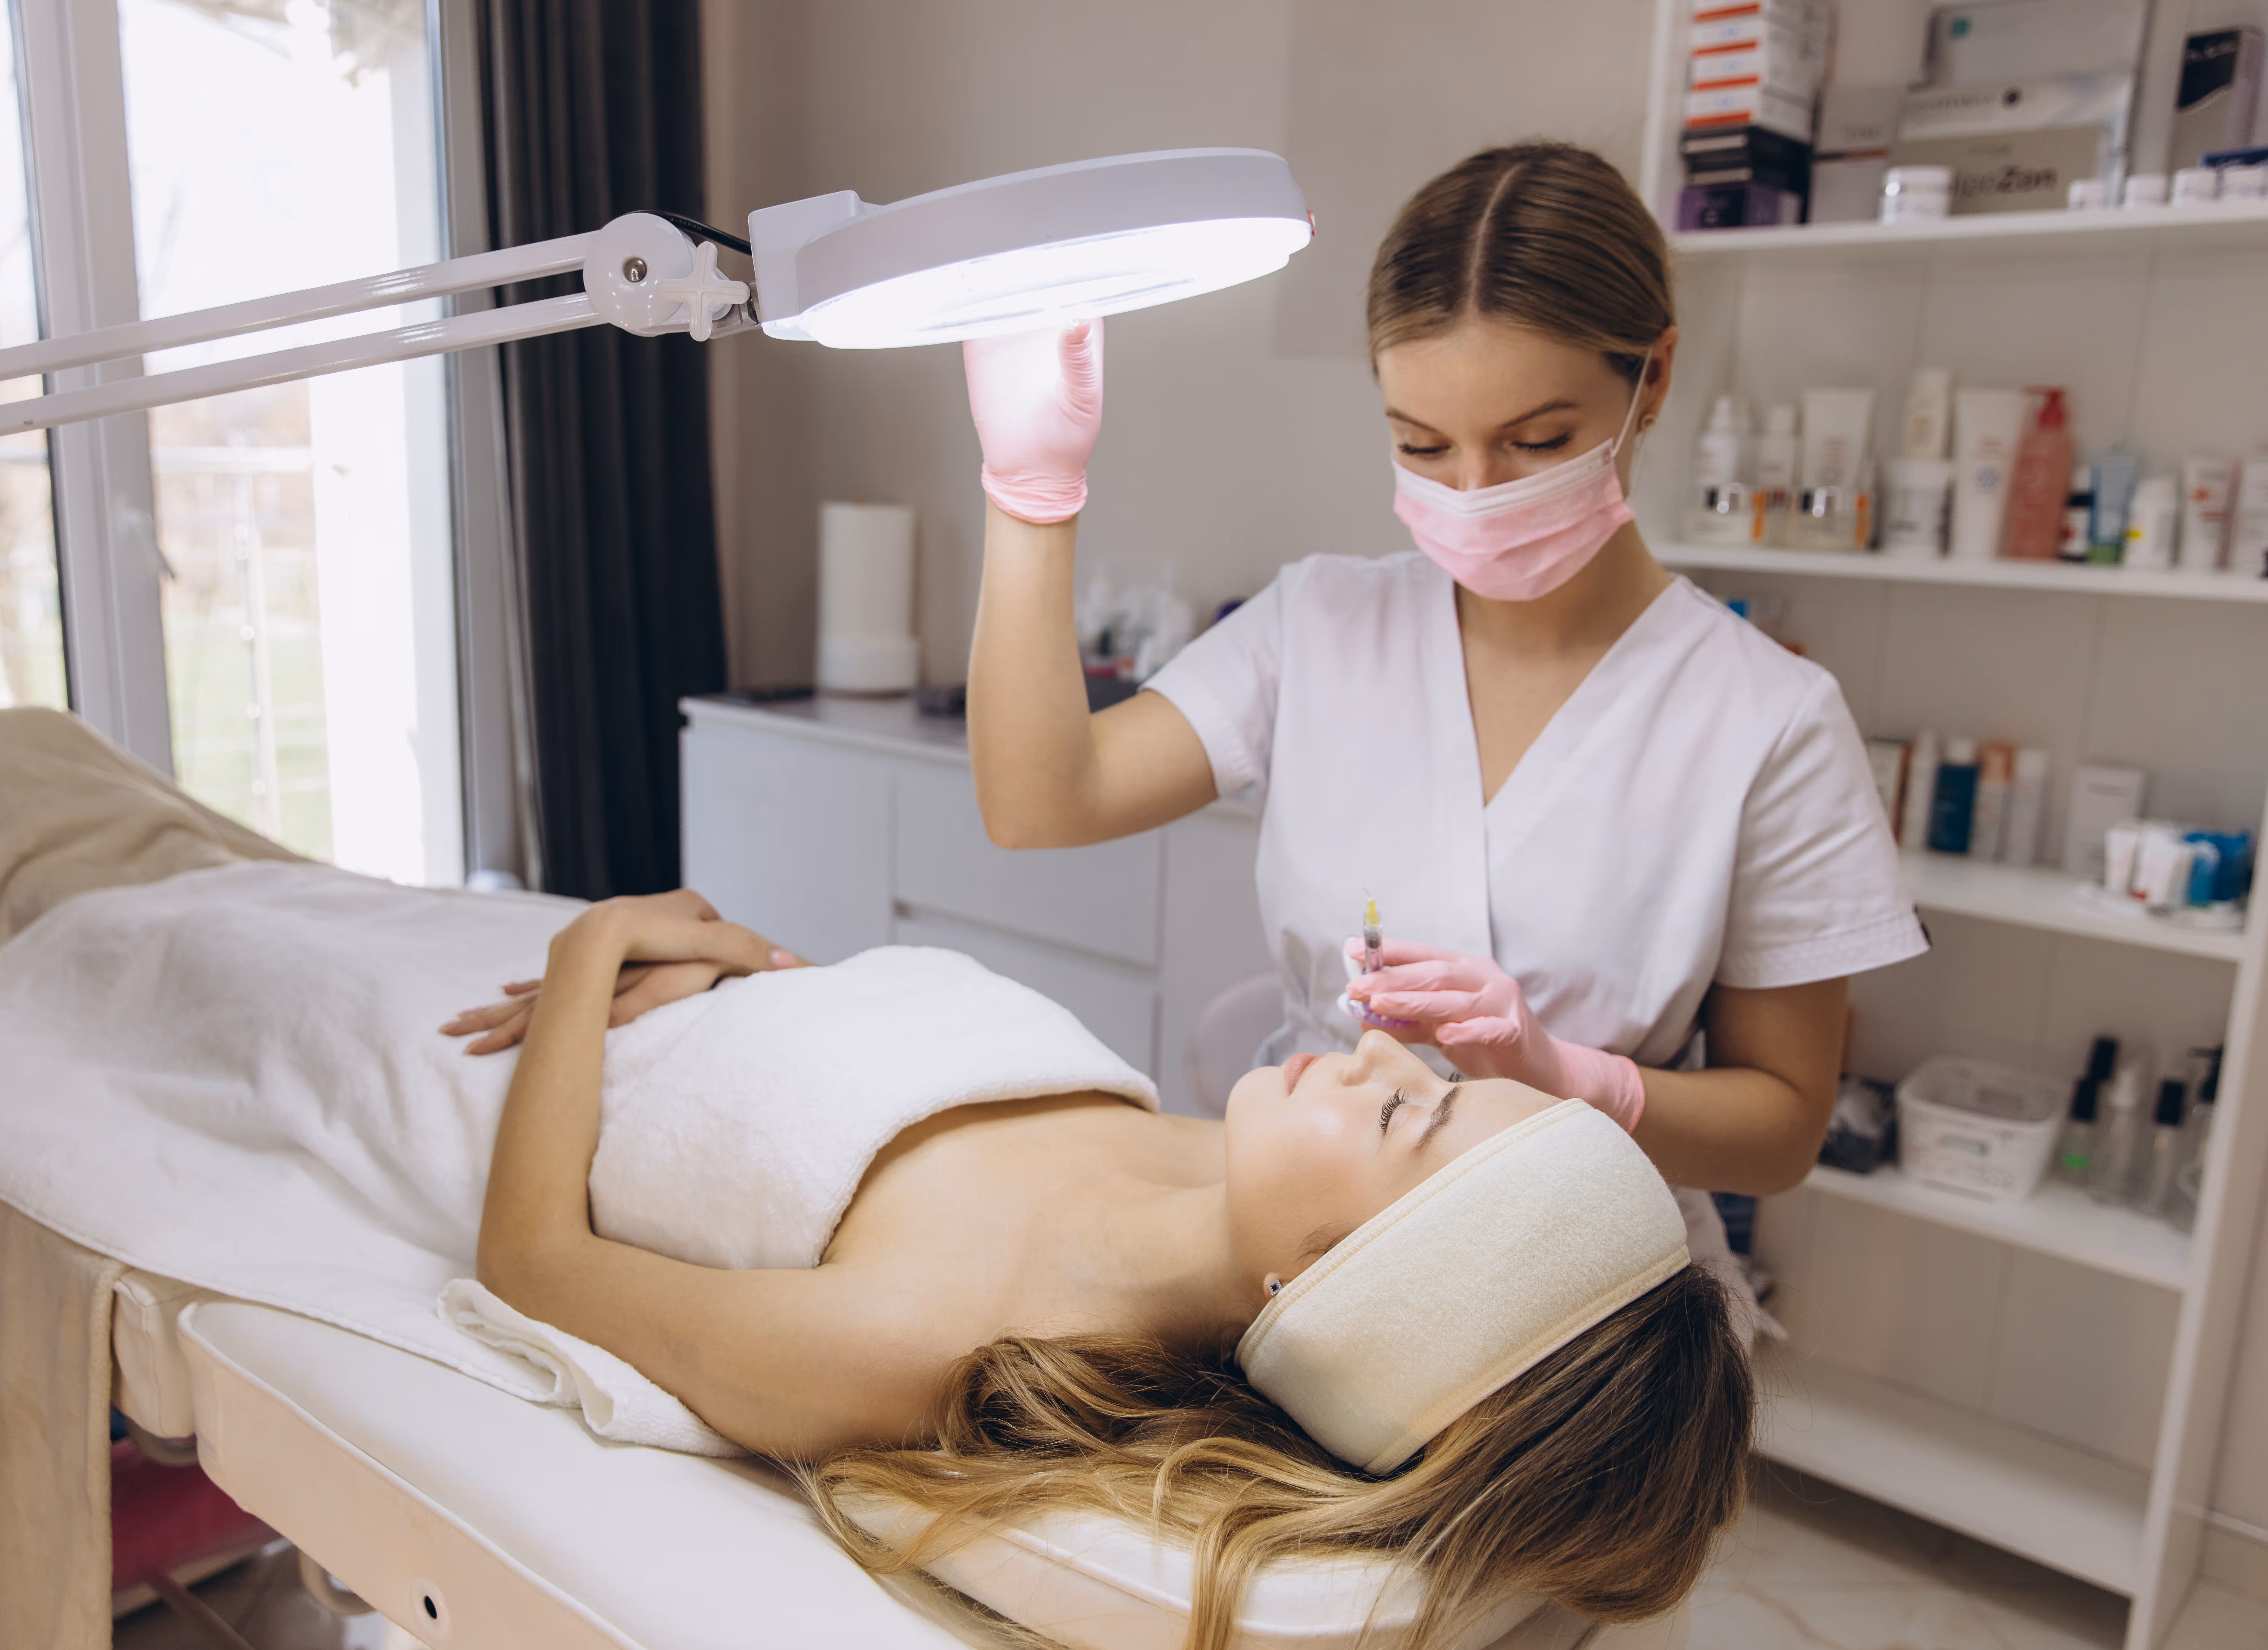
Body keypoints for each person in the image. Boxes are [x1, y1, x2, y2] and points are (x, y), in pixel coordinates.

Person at [960, 143, 1926, 1257]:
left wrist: (1565, 1078)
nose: (1475, 496)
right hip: (1308, 1246)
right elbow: (1039, 802)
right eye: (1423, 446)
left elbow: (1783, 1130)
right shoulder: (1319, 622)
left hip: (1583, 1284)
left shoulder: (1771, 720)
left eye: (1537, 442)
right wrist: (1033, 495)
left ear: (1652, 377)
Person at [449, 892, 1750, 1648]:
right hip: (674, 971)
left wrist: (591, 945)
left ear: (1332, 1289)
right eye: (1445, 1082)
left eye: (1407, 1118)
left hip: (487, 1052)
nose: (1384, 1056)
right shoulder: (1210, 1169)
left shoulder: (911, 1339)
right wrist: (750, 963)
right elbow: (880, 1054)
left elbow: (531, 1258)